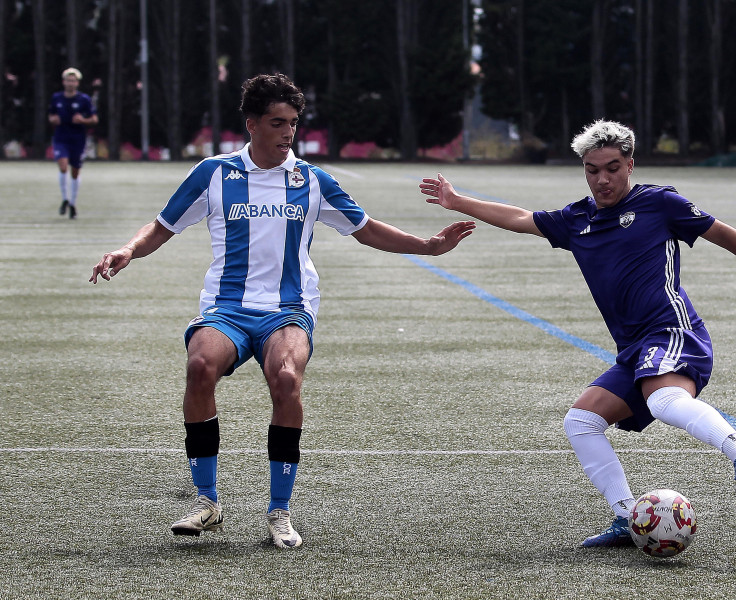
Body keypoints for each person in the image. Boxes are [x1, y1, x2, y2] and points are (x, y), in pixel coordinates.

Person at [89, 73, 475, 549]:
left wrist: (428, 246)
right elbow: (163, 225)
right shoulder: (213, 174)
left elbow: (366, 228)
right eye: (277, 122)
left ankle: (279, 510)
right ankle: (208, 502)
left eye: (293, 122)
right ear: (251, 125)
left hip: (287, 308)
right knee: (199, 365)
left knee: (287, 379)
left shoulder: (312, 180)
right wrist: (127, 250)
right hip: (227, 306)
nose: (288, 132)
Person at [420, 119, 736, 547]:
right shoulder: (577, 219)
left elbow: (722, 233)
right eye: (592, 170)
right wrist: (457, 201)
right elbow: (518, 217)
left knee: (663, 401)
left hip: (673, 331)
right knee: (582, 421)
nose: (602, 179)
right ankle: (627, 517)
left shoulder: (659, 203)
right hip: (635, 350)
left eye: (612, 167)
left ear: (630, 165)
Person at [48, 67, 98, 219]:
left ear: (77, 83)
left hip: (77, 139)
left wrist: (83, 120)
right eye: (68, 80)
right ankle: (64, 199)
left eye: (73, 80)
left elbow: (94, 119)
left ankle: (72, 203)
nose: (71, 83)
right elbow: (51, 116)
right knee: (63, 166)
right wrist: (53, 120)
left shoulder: (84, 99)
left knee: (75, 171)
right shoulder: (57, 98)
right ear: (64, 82)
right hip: (61, 138)